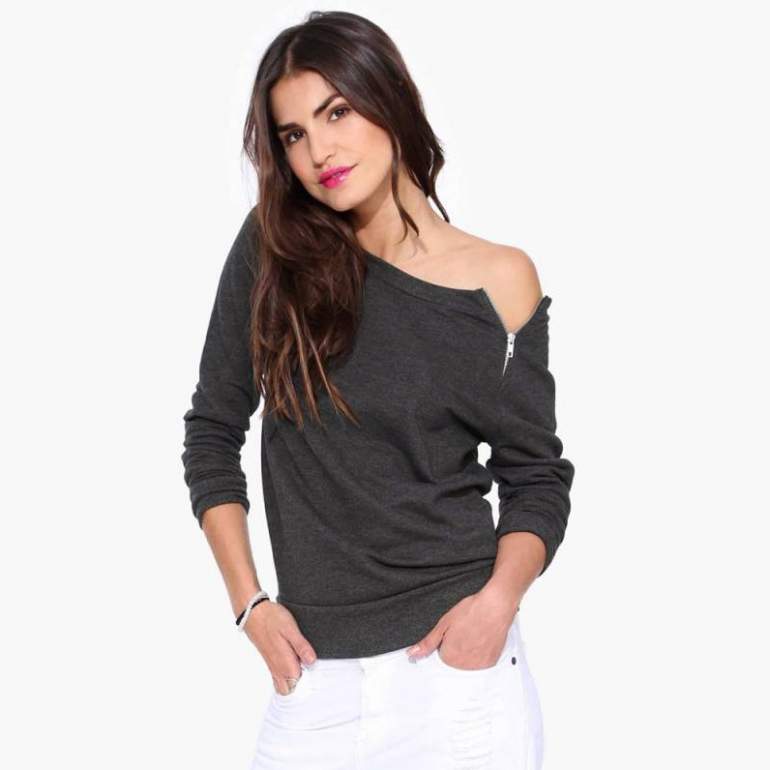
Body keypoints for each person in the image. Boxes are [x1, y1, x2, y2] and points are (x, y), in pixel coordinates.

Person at [181, 10, 575, 770]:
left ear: (388, 97)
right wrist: (249, 604)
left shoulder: (500, 280)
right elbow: (212, 431)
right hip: (312, 677)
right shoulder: (272, 250)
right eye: (293, 134)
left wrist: (496, 605)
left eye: (337, 113)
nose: (318, 151)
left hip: (459, 678)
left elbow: (536, 478)